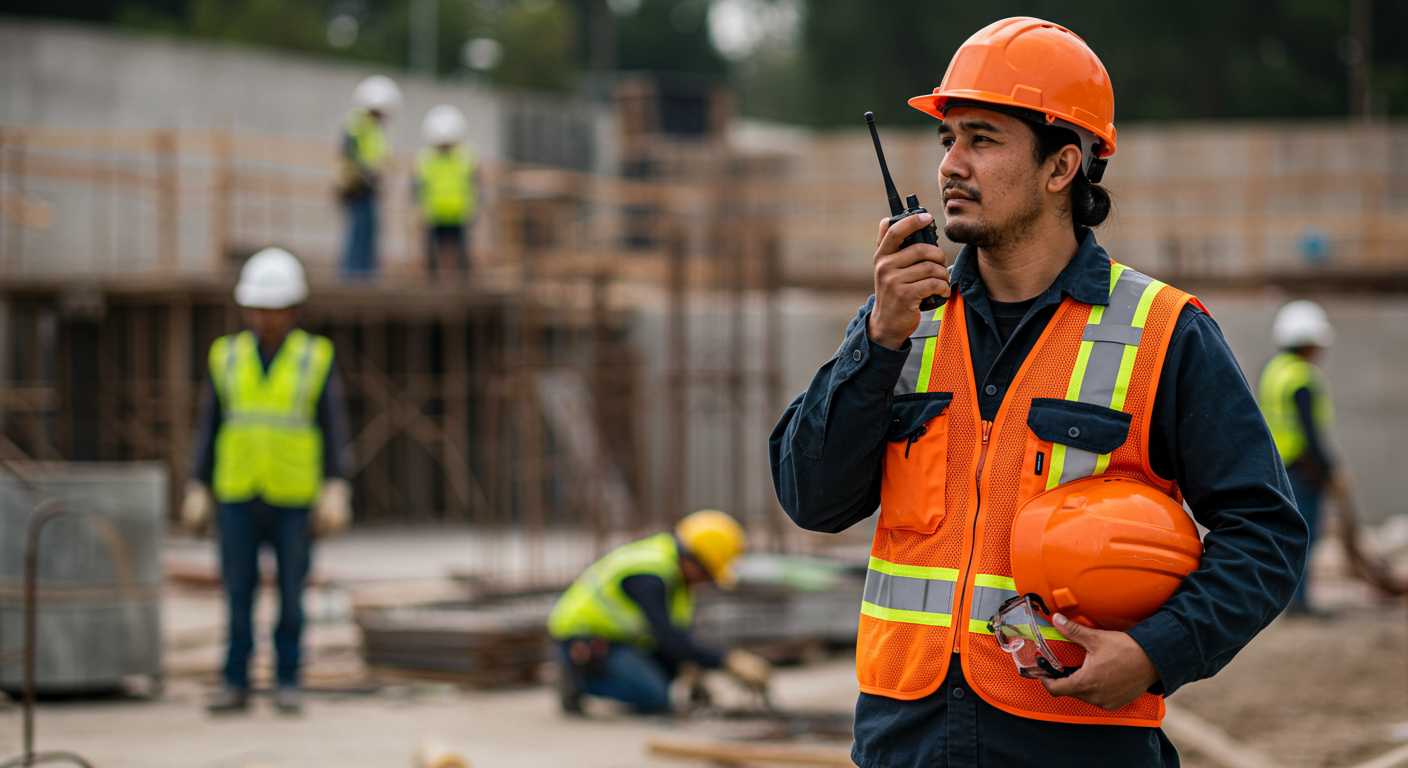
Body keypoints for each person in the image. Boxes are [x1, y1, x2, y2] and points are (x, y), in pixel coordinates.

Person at [768, 18, 1307, 768]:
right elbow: (810, 499)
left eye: (982, 139)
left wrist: (1155, 653)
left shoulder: (1163, 332)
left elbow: (1266, 533)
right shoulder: (903, 322)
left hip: (1077, 746)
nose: (953, 163)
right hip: (906, 741)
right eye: (947, 139)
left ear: (1061, 169)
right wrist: (878, 338)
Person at [182, 247, 353, 715]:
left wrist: (336, 486)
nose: (265, 318)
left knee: (292, 598)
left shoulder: (314, 358)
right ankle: (235, 682)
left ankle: (288, 679)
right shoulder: (227, 356)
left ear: (292, 310)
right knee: (238, 595)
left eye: (274, 310)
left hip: (293, 497)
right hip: (237, 492)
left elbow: (332, 427)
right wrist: (198, 485)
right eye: (257, 309)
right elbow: (210, 425)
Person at [547, 510, 773, 714]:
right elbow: (670, 640)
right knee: (654, 696)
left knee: (666, 675)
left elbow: (678, 636)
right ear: (693, 560)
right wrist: (728, 660)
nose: (705, 583)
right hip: (587, 640)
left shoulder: (674, 577)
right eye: (708, 574)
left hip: (625, 640)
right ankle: (576, 679)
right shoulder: (649, 575)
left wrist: (691, 665)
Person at [1259, 300, 1337, 614]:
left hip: (1278, 466)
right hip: (1302, 469)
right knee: (1306, 535)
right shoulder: (1302, 376)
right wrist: (1330, 469)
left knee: (1287, 534)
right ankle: (1300, 601)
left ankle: (1290, 598)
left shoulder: (1275, 371)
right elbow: (1309, 431)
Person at [339, 75, 402, 279]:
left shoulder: (374, 128)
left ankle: (364, 275)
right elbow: (349, 156)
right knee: (358, 234)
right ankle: (353, 277)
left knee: (368, 234)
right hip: (358, 188)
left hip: (370, 188)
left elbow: (376, 157)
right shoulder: (359, 124)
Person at [415, 104, 478, 278]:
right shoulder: (426, 158)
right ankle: (432, 287)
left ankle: (465, 287)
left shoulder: (465, 157)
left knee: (462, 255)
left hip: (459, 214)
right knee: (432, 257)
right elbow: (418, 187)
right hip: (434, 214)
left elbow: (474, 184)